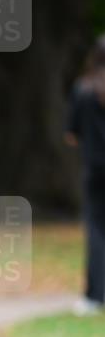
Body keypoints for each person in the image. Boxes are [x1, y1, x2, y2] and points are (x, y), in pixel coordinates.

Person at [64, 35, 105, 316]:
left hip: (94, 170)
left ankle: (95, 295)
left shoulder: (83, 90)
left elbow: (71, 136)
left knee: (96, 231)